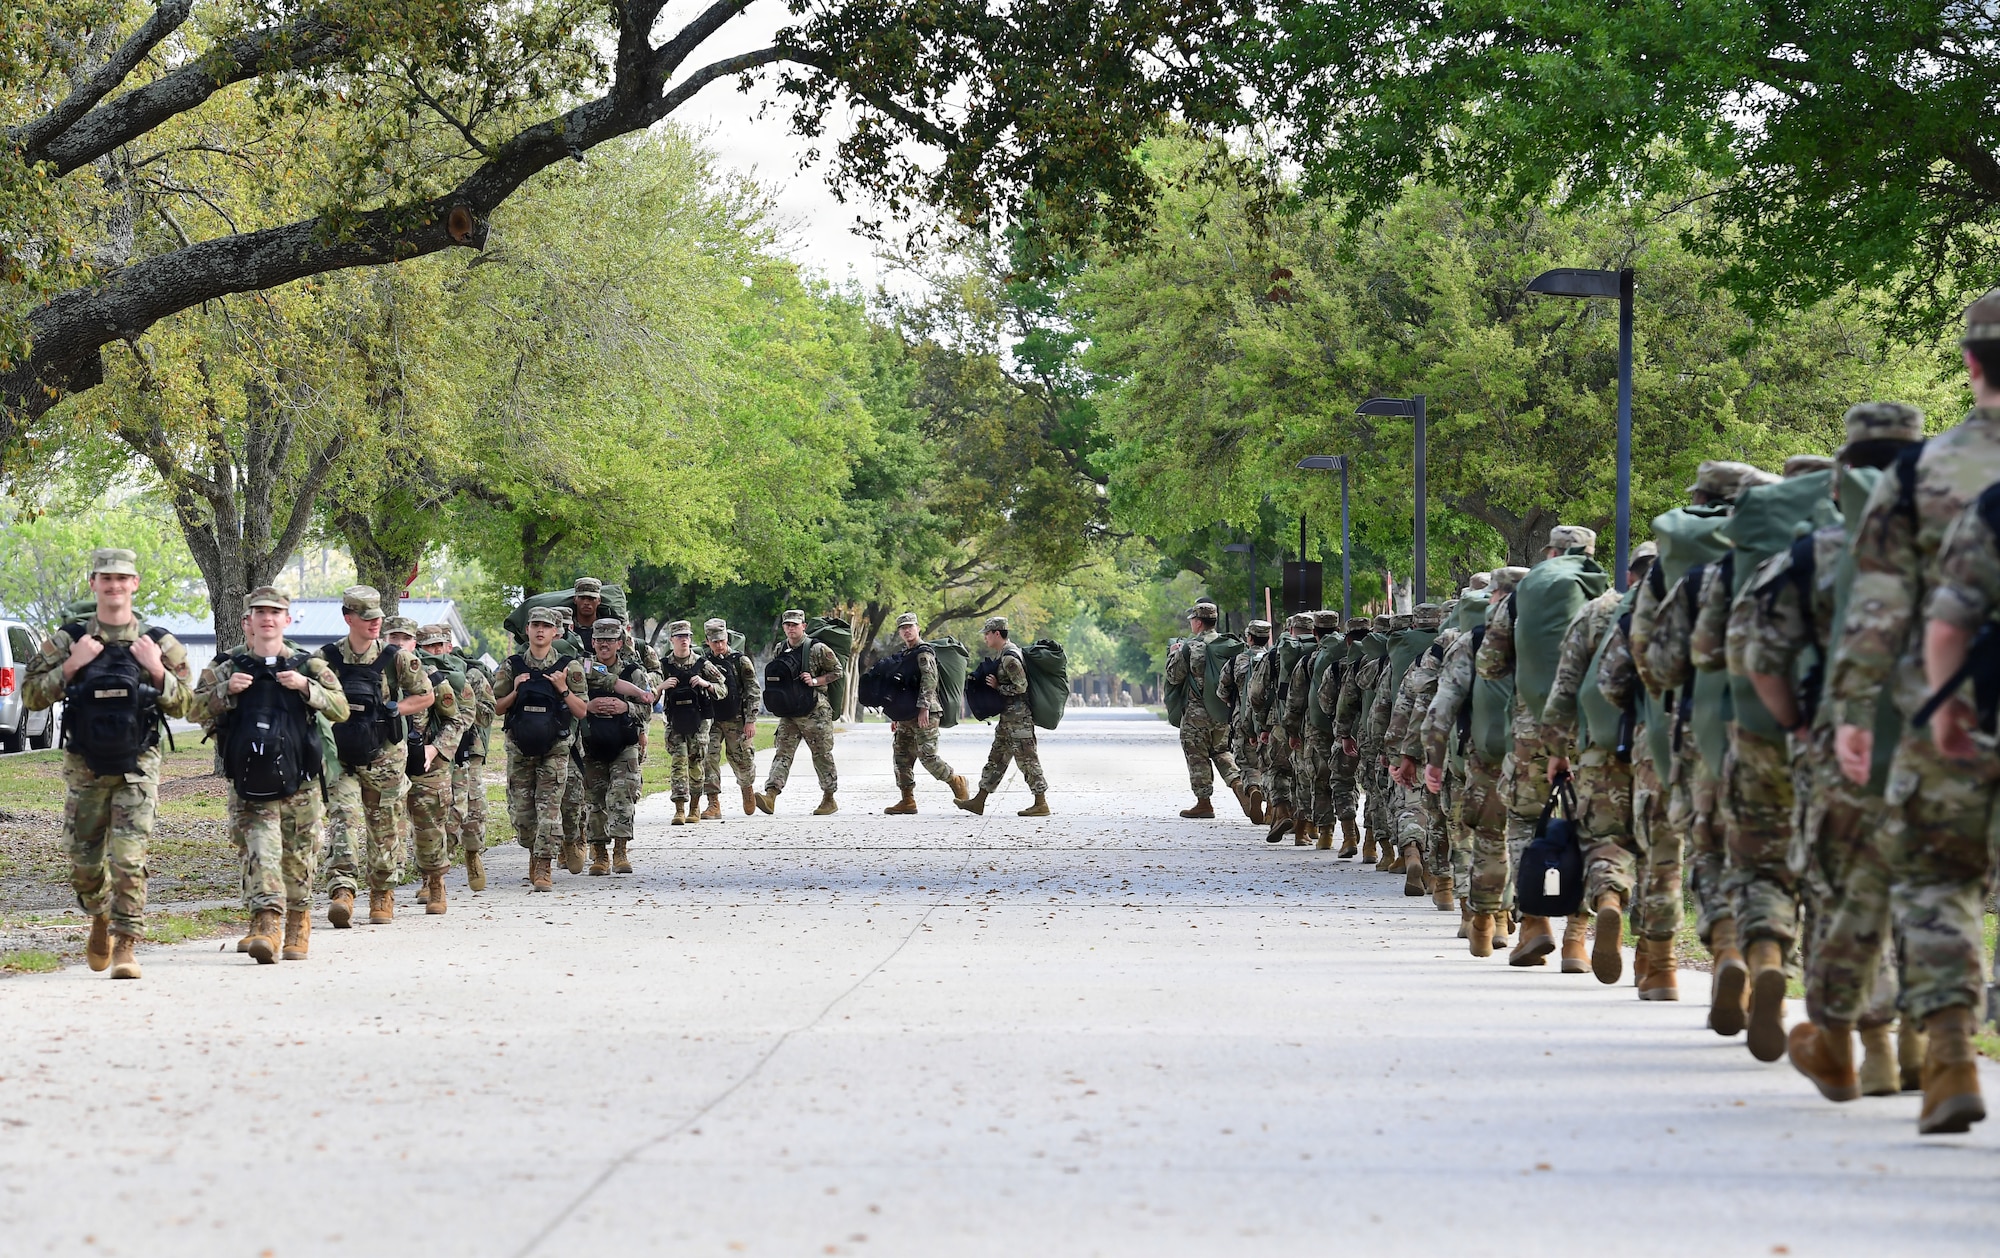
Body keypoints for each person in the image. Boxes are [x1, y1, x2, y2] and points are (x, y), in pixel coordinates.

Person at [1827, 289, 2000, 1136]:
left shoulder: (1920, 474)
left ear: (1970, 364)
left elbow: (1878, 609)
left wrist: (1854, 712)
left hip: (1947, 707)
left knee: (1939, 881)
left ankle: (1951, 1052)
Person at [1738, 404, 1926, 1098]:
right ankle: (1933, 1044)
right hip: (1947, 749)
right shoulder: (1965, 531)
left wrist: (1797, 726)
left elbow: (1761, 658)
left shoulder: (1814, 553)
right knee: (1930, 892)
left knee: (1845, 894)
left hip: (1840, 750)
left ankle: (1866, 1046)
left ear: (1841, 476)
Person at [21, 548, 196, 979]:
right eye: (106, 579)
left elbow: (191, 705)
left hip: (138, 763)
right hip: (85, 766)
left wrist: (156, 671)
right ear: (94, 584)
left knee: (129, 857)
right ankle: (99, 915)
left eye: (123, 579)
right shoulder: (68, 640)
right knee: (83, 864)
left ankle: (125, 945)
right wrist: (73, 665)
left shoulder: (158, 641)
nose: (115, 586)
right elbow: (30, 696)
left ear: (134, 584)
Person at [1476, 525, 1606, 967]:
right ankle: (1577, 938)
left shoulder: (1519, 598)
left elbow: (1489, 665)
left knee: (1524, 824)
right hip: (1589, 731)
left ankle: (1533, 922)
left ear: (1550, 552)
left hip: (1532, 729)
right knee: (1586, 829)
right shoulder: (1604, 595)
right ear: (1589, 553)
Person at [196, 588, 346, 962]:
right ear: (248, 619)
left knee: (298, 857)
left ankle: (298, 923)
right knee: (261, 853)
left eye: (275, 612)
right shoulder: (227, 665)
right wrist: (224, 692)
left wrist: (307, 688)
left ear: (286, 619)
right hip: (251, 781)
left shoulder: (307, 664)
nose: (267, 618)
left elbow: (341, 709)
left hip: (301, 781)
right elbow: (192, 708)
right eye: (260, 612)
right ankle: (267, 923)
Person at [1541, 546, 1656, 983]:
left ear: (1628, 573)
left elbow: (1566, 684)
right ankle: (1656, 962)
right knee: (1659, 849)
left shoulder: (1598, 611)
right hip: (1660, 747)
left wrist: (1557, 750)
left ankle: (1606, 900)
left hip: (1601, 748)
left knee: (1605, 837)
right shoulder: (1685, 606)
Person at [319, 586, 435, 927]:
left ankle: (382, 892)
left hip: (385, 756)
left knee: (383, 827)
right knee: (342, 817)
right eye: (367, 618)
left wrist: (395, 709)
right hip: (341, 755)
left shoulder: (397, 658)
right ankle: (342, 890)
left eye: (377, 618)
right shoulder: (326, 657)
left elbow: (425, 696)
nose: (374, 624)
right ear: (348, 618)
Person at [1427, 567, 1527, 955]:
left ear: (1492, 597)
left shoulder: (1470, 641)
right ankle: (1541, 922)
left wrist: (1433, 756)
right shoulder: (1552, 638)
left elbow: (1442, 703)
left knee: (1489, 837)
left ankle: (1487, 920)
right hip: (1541, 753)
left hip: (1485, 753)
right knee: (1530, 836)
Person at [495, 607, 587, 892]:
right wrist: (515, 690)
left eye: (546, 626)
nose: (540, 630)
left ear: (555, 632)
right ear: (527, 630)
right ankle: (533, 850)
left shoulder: (569, 666)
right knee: (523, 817)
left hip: (555, 748)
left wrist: (562, 688)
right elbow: (496, 708)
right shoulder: (511, 666)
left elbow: (582, 711)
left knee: (548, 810)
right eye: (535, 624)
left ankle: (544, 864)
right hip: (520, 749)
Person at [396, 621, 473, 913]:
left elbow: (463, 715)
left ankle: (434, 880)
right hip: (386, 760)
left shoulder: (440, 677)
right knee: (391, 827)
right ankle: (384, 891)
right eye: (394, 638)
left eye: (405, 638)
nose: (436, 651)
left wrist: (437, 748)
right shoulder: (377, 674)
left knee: (435, 822)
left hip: (431, 760)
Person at [578, 617, 657, 873]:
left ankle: (621, 851)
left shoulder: (633, 672)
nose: (604, 644)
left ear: (619, 643)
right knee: (595, 800)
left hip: (624, 743)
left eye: (610, 640)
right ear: (592, 642)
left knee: (622, 795)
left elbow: (648, 708)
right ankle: (600, 854)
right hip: (591, 744)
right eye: (600, 639)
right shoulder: (584, 668)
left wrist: (627, 706)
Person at [956, 616, 1050, 816]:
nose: (985, 638)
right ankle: (978, 801)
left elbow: (1021, 686)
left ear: (997, 633)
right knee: (996, 759)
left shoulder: (1009, 657)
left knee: (1027, 761)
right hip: (1008, 720)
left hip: (1019, 720)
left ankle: (1041, 803)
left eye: (987, 634)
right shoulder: (1003, 654)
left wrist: (999, 688)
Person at [1166, 601, 1251, 820]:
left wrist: (1174, 653)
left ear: (1198, 622)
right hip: (1222, 711)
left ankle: (1204, 803)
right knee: (1221, 751)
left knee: (1197, 755)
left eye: (1193, 620)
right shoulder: (1227, 645)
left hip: (1196, 714)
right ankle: (1239, 784)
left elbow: (1174, 677)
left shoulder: (1191, 647)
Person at [756, 610, 843, 815]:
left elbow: (838, 671)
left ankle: (829, 798)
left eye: (795, 624)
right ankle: (771, 795)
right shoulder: (780, 648)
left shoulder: (818, 649)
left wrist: (815, 681)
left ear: (804, 626)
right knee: (782, 752)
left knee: (821, 755)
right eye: (787, 624)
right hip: (790, 710)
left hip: (815, 711)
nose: (791, 628)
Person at [883, 613, 969, 814]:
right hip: (906, 714)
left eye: (910, 627)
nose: (906, 630)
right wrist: (896, 714)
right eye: (903, 628)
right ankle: (907, 800)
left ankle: (956, 781)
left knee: (927, 756)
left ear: (918, 628)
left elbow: (930, 680)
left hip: (926, 713)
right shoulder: (904, 654)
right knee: (901, 757)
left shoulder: (924, 653)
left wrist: (924, 708)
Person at [657, 620, 726, 825]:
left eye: (687, 636)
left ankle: (694, 807)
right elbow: (648, 692)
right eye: (679, 637)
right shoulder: (663, 665)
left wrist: (706, 684)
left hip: (699, 720)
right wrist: (662, 686)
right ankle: (679, 808)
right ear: (671, 640)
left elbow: (723, 688)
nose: (684, 640)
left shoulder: (702, 664)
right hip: (675, 719)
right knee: (678, 762)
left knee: (696, 762)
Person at [448, 626, 496, 891]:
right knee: (433, 815)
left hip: (469, 750)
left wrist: (462, 699)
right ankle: (431, 876)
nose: (435, 651)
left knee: (474, 811)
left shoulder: (472, 674)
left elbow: (489, 714)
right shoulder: (417, 672)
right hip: (432, 751)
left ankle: (473, 855)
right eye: (429, 646)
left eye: (440, 644)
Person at [699, 619, 760, 816]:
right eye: (714, 641)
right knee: (709, 759)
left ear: (727, 639)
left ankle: (747, 789)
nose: (719, 645)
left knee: (741, 758)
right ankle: (713, 802)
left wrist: (750, 720)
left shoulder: (740, 661)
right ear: (708, 641)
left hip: (736, 718)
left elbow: (753, 690)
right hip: (712, 719)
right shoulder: (703, 662)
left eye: (722, 640)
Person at [1219, 619, 1272, 825]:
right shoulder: (1274, 659)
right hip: (1271, 721)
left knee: (1248, 764)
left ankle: (1253, 788)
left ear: (1249, 638)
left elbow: (1222, 692)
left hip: (1243, 720)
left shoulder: (1236, 662)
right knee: (1271, 766)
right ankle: (1271, 809)